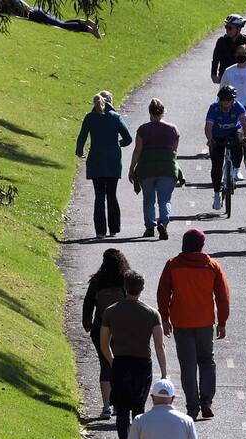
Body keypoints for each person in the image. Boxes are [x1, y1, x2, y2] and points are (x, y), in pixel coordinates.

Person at [157, 229, 230, 420]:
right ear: (201, 245)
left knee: (188, 365)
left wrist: (164, 318)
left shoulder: (173, 265)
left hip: (181, 322)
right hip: (205, 321)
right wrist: (222, 321)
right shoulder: (211, 265)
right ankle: (206, 402)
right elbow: (222, 297)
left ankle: (192, 406)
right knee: (206, 361)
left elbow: (163, 293)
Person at [100, 270, 169, 439]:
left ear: (125, 287)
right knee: (138, 408)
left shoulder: (111, 311)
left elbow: (104, 343)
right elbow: (158, 345)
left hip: (121, 362)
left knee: (121, 409)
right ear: (142, 288)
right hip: (142, 364)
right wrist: (164, 372)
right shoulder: (151, 313)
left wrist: (113, 361)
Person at [80, 249, 131, 419]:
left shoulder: (97, 280)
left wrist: (87, 322)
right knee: (121, 365)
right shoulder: (125, 279)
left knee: (106, 365)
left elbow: (88, 302)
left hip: (100, 328)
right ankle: (119, 404)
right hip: (122, 329)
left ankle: (106, 406)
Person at [76, 91, 132, 238]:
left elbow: (82, 137)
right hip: (113, 162)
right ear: (110, 102)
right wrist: (116, 144)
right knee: (112, 195)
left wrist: (79, 151)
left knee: (99, 196)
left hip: (96, 161)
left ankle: (100, 231)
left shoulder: (90, 118)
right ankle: (113, 229)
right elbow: (128, 138)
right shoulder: (115, 117)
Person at [128, 98, 179, 240]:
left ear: (149, 112)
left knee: (148, 199)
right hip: (167, 168)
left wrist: (132, 168)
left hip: (147, 168)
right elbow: (174, 150)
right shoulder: (172, 129)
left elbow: (137, 151)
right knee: (165, 199)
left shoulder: (143, 129)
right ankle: (163, 222)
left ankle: (150, 227)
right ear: (163, 112)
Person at [218, 44, 246, 178]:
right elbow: (222, 89)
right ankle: (234, 167)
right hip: (230, 108)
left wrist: (241, 103)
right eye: (238, 53)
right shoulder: (229, 71)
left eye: (244, 53)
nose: (240, 55)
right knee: (233, 137)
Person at [205, 85, 246, 211]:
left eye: (228, 99)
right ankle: (216, 195)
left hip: (233, 132)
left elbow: (245, 122)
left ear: (233, 100)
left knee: (239, 142)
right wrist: (210, 139)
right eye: (223, 99)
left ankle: (236, 169)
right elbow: (208, 126)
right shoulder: (214, 108)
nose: (225, 102)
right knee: (217, 165)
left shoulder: (238, 106)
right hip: (217, 136)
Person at [210, 14, 246, 84]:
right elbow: (216, 59)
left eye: (230, 28)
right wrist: (213, 74)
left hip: (242, 76)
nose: (227, 30)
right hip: (225, 75)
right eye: (226, 27)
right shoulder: (221, 41)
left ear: (239, 29)